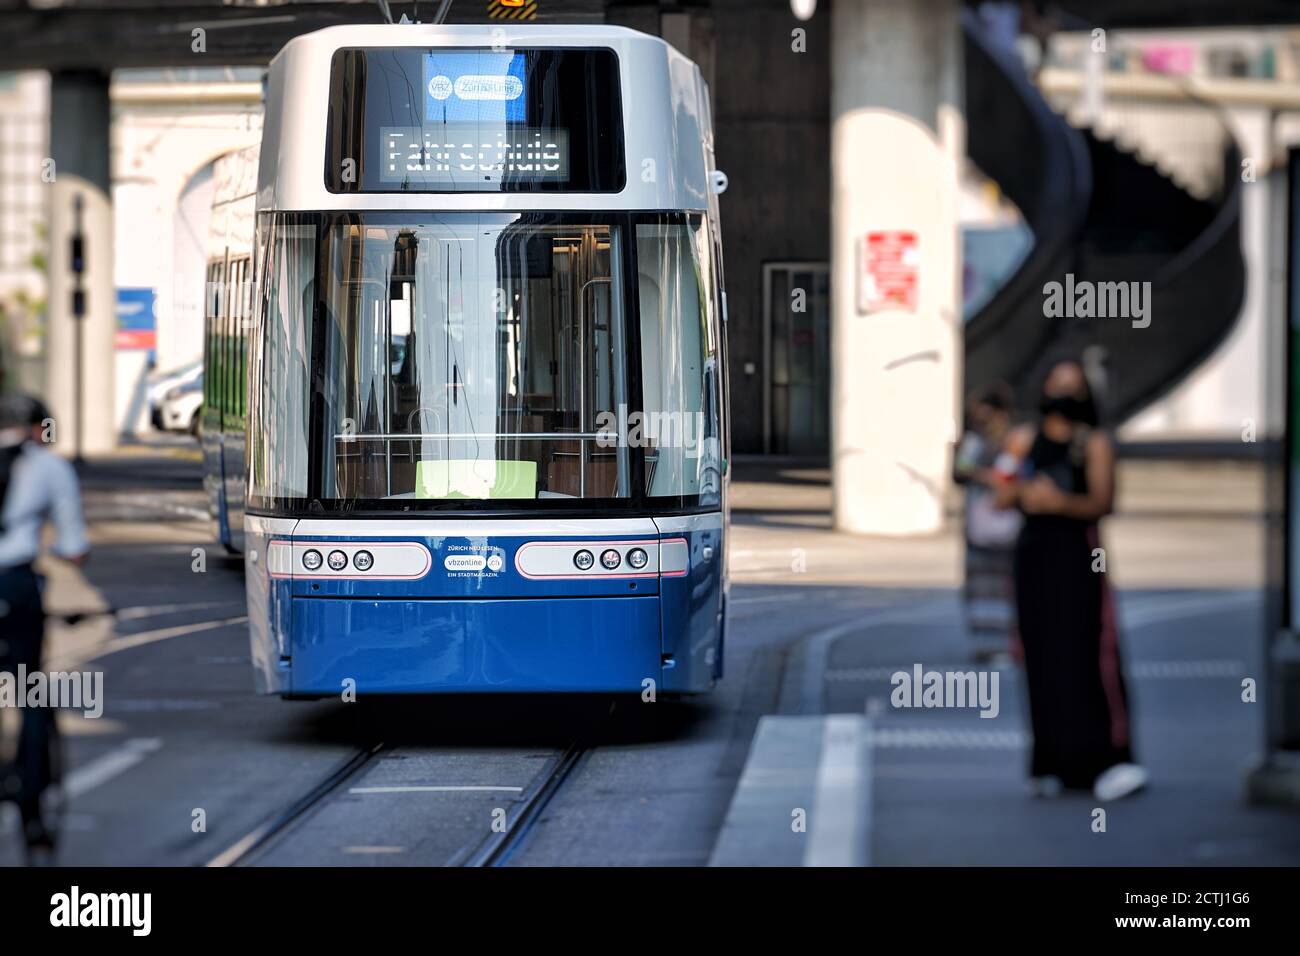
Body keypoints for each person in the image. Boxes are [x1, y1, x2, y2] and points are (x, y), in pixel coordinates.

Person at [993, 359, 1147, 801]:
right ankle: (1051, 761)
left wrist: (1059, 502)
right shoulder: (1023, 439)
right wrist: (1024, 493)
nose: (1061, 393)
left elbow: (1103, 501)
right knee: (1040, 655)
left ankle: (1110, 759)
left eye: (1072, 386)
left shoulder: (1093, 443)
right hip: (1033, 557)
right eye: (1055, 383)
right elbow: (1000, 489)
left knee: (1090, 650)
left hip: (1081, 555)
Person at [0, 393, 89, 863]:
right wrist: (58, 551)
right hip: (14, 587)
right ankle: (31, 808)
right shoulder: (49, 468)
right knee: (29, 685)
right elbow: (75, 547)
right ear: (38, 428)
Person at [953, 383, 1021, 655]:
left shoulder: (1015, 440)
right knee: (980, 585)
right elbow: (959, 473)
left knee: (1008, 583)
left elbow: (1010, 475)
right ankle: (985, 645)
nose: (982, 421)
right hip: (978, 524)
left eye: (987, 415)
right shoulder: (972, 441)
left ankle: (1009, 644)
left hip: (1009, 522)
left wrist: (980, 474)